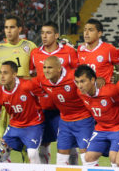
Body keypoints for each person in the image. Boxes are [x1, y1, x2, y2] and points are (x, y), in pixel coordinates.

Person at [0, 14, 37, 162]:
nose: (8, 31)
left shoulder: (30, 47)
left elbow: (37, 71)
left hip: (24, 103)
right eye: (6, 28)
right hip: (3, 101)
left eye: (12, 27)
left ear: (20, 29)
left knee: (29, 149)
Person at [29, 21, 79, 164]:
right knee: (44, 144)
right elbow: (32, 76)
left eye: (48, 33)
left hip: (65, 107)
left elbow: (78, 75)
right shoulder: (35, 53)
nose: (44, 36)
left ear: (56, 35)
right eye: (42, 33)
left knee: (70, 146)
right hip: (43, 106)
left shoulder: (69, 52)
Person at [30, 56, 94, 165]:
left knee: (86, 156)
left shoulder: (73, 77)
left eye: (50, 67)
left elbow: (91, 84)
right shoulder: (42, 79)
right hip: (64, 121)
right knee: (61, 157)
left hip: (83, 119)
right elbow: (27, 85)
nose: (46, 70)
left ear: (59, 68)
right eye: (44, 67)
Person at [74, 65, 119, 167]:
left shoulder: (111, 91)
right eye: (77, 82)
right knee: (88, 158)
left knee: (114, 158)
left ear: (92, 80)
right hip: (101, 128)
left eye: (82, 81)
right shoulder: (80, 93)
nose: (79, 85)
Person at [0, 61, 44, 164]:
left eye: (5, 73)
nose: (2, 76)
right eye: (0, 73)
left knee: (32, 153)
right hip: (14, 127)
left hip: (33, 125)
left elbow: (45, 93)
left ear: (14, 74)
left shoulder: (27, 85)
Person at [78, 19, 119, 84]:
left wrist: (117, 78)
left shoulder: (109, 49)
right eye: (85, 30)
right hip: (85, 92)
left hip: (103, 92)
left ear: (99, 34)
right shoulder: (80, 49)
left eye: (90, 30)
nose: (86, 33)